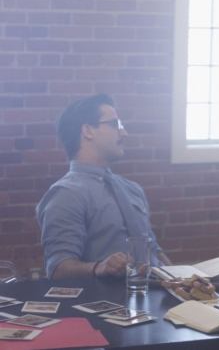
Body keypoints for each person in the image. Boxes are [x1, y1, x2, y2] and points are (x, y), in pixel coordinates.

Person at [36, 94, 169, 280]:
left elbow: (154, 250)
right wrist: (99, 268)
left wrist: (178, 278)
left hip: (156, 293)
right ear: (88, 131)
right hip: (108, 297)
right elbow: (58, 269)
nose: (124, 133)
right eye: (115, 124)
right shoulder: (66, 195)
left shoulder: (132, 189)